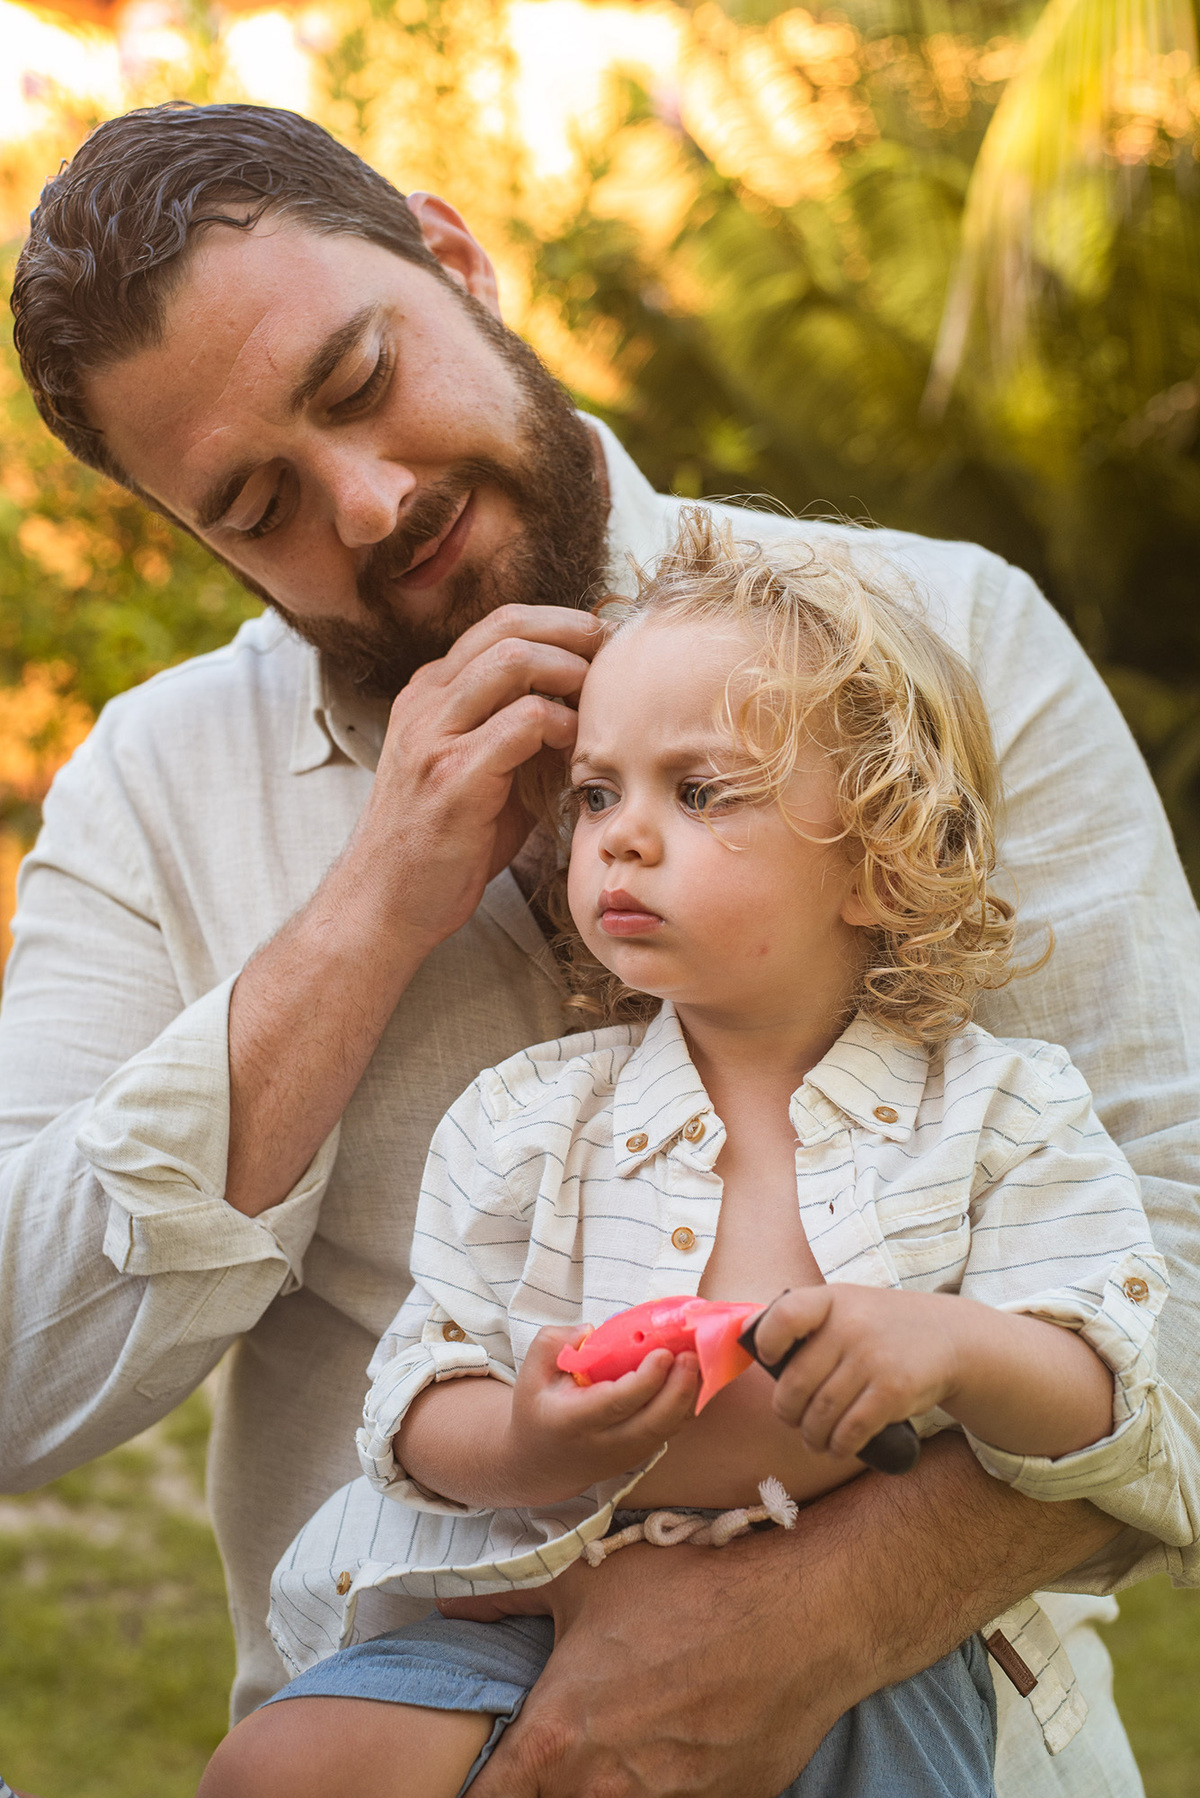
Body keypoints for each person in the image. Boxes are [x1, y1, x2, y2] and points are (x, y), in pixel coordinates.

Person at [3, 99, 1199, 1797]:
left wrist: (812, 1622)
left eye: (362, 378)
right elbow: (17, 1381)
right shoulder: (150, 789)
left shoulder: (955, 641)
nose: (370, 502)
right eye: (259, 504)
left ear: (454, 258)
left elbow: (1178, 1238)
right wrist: (366, 913)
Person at [195, 517, 1188, 1798]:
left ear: (878, 859)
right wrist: (526, 1437)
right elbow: (414, 1397)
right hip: (545, 1593)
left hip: (869, 1655)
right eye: (598, 792)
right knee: (279, 1762)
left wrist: (955, 1347)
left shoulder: (1000, 1114)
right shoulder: (531, 1120)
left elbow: (1112, 1397)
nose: (620, 835)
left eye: (700, 791)